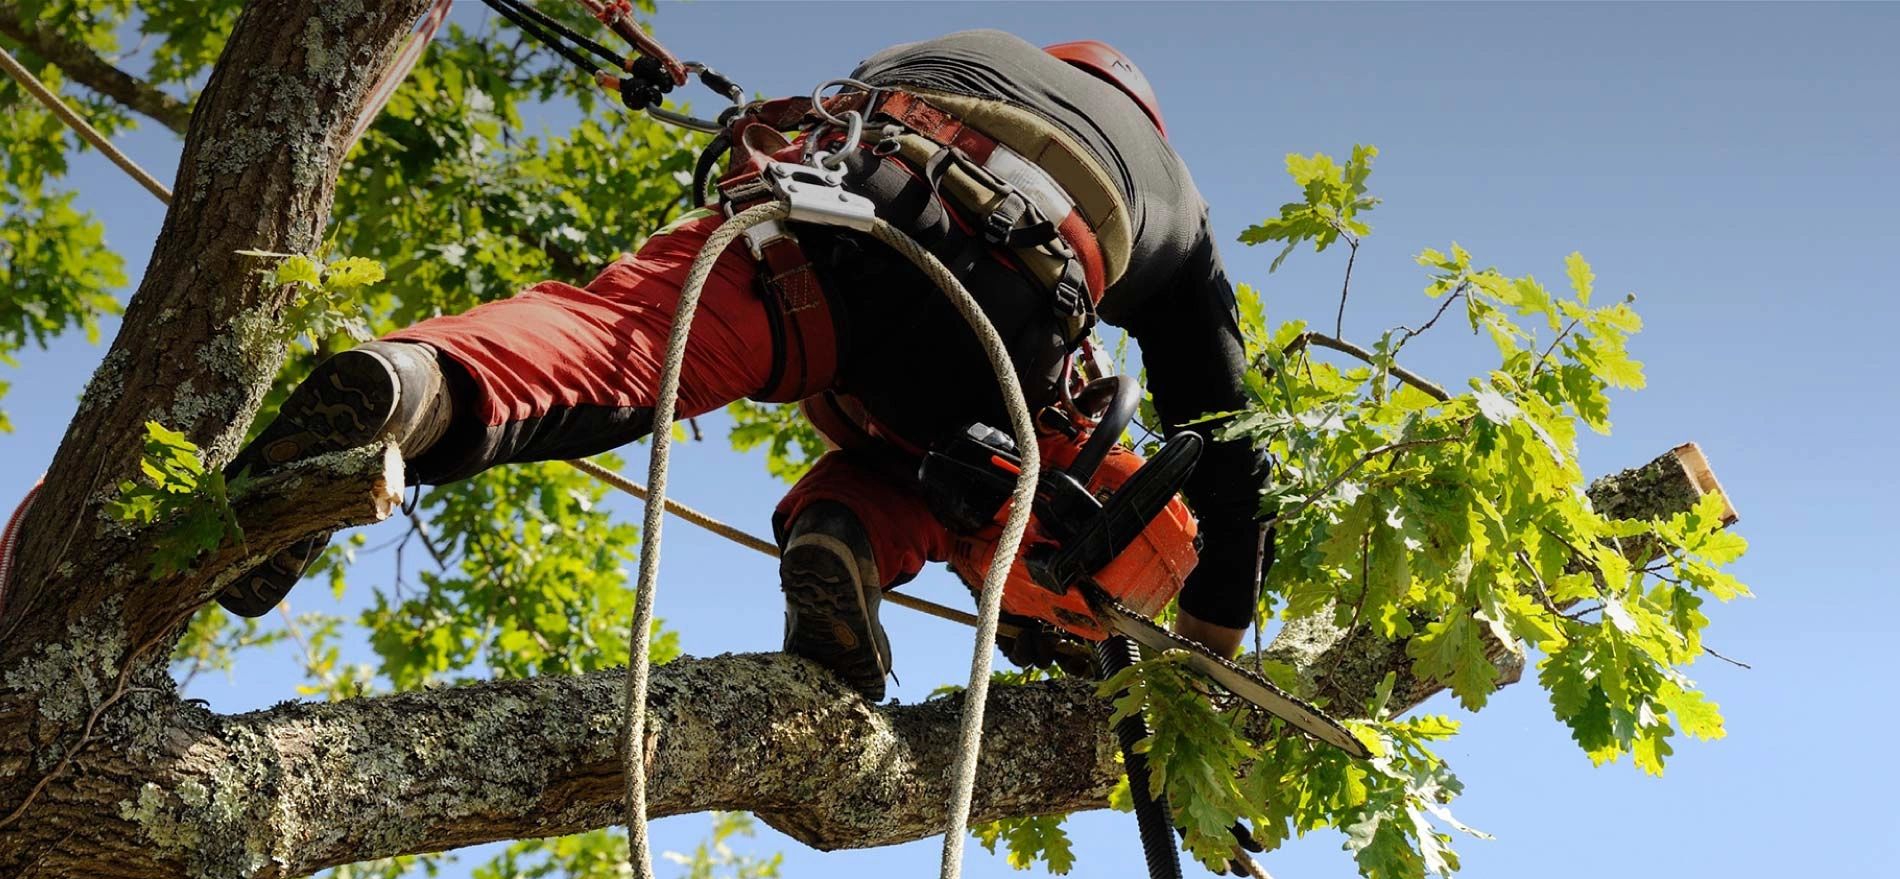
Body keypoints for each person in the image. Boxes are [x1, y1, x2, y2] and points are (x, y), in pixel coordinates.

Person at [218, 30, 1269, 702]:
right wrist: (1214, 633)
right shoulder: (1171, 193)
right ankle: (847, 536)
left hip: (840, 207)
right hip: (1010, 313)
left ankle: (412, 387)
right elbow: (1229, 435)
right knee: (988, 472)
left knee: (618, 340)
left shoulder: (963, 48)